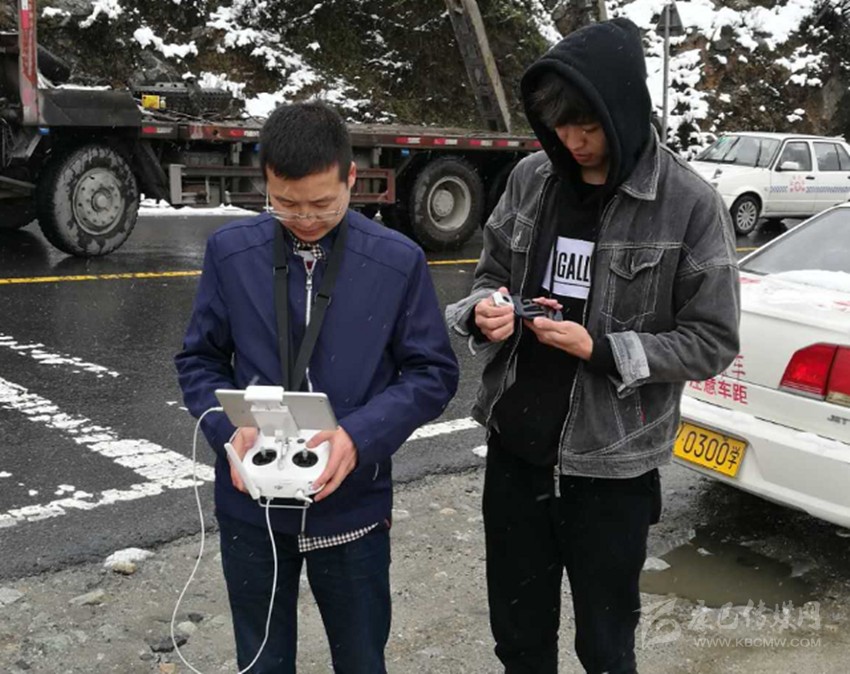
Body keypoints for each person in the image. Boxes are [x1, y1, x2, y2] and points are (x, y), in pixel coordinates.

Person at [445, 18, 740, 674]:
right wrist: (484, 312)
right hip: (515, 455)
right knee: (519, 642)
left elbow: (712, 341)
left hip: (612, 471)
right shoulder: (531, 178)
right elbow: (488, 276)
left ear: (623, 112)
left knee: (605, 650)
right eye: (559, 128)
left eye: (588, 127)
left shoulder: (689, 204)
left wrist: (601, 348)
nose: (573, 143)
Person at [176, 101, 459, 673]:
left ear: (352, 178)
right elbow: (199, 360)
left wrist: (358, 436)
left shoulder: (397, 260)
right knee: (260, 661)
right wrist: (230, 430)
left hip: (351, 503)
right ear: (265, 182)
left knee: (360, 659)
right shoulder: (232, 252)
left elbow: (433, 372)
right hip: (251, 503)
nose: (305, 219)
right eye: (285, 203)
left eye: (323, 204)